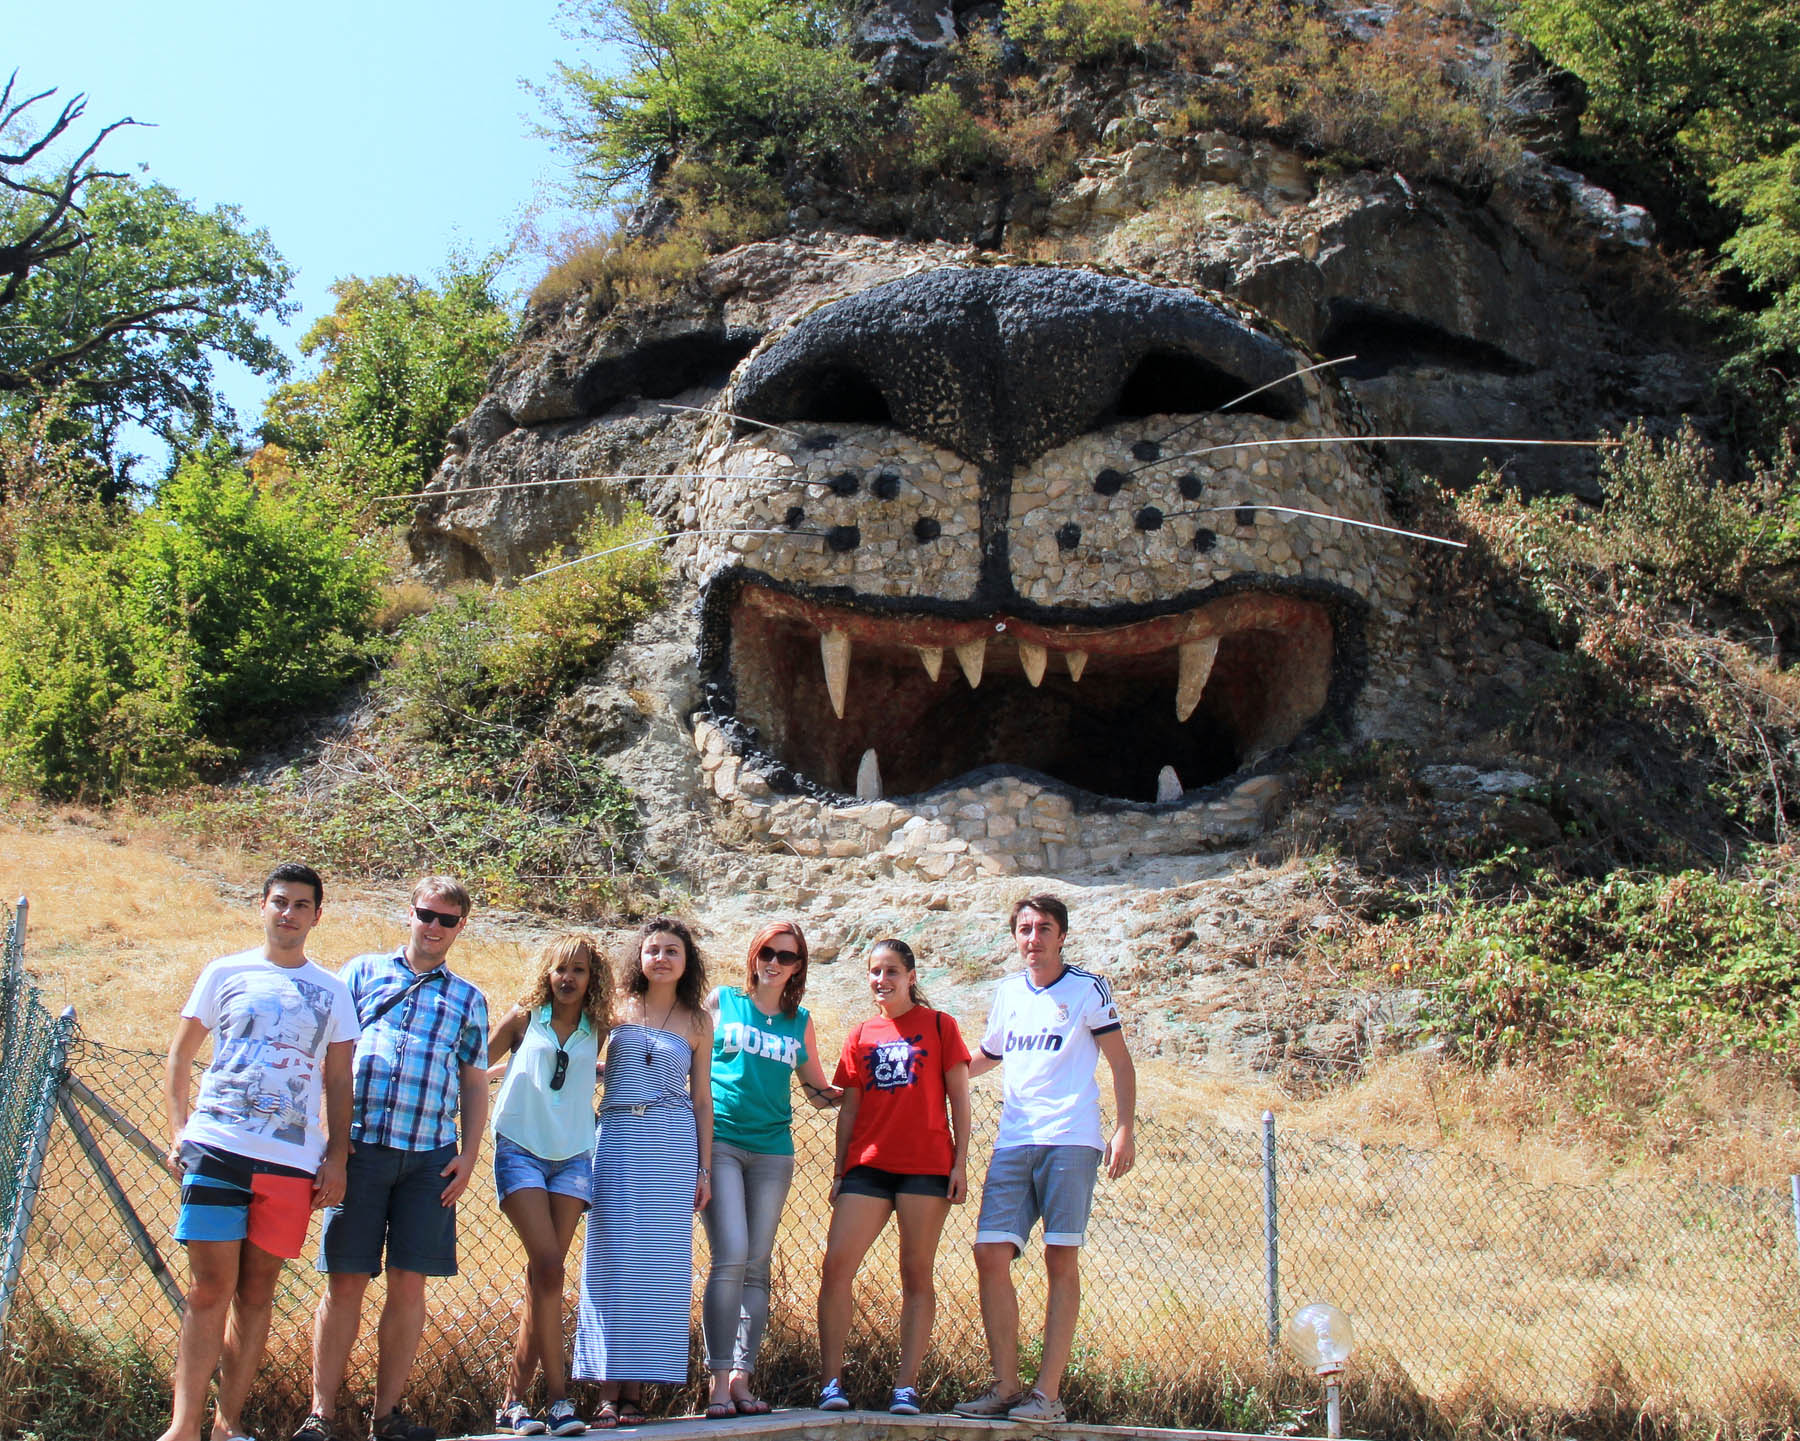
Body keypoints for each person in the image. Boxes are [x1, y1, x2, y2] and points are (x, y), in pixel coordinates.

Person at [156, 862, 361, 1441]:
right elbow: (179, 1056)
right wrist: (180, 1129)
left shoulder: (333, 991)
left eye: (301, 904)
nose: (288, 913)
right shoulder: (225, 972)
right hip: (218, 1146)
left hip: (292, 1161)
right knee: (208, 1290)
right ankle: (183, 1426)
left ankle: (228, 1425)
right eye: (279, 901)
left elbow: (339, 1080)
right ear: (262, 906)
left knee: (255, 1295)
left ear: (317, 916)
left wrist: (338, 1156)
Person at [296, 877, 490, 1441]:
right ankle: (321, 1415)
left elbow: (474, 1081)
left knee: (410, 1286)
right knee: (344, 1282)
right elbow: (329, 1058)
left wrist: (470, 1154)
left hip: (429, 1157)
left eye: (446, 920)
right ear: (409, 914)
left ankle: (388, 1417)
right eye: (426, 914)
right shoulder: (361, 973)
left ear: (460, 928)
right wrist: (331, 1143)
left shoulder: (468, 998)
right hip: (360, 1149)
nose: (434, 927)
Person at [954, 894, 1136, 1424]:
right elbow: (988, 1055)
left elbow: (1121, 1064)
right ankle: (1006, 1387)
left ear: (1061, 936)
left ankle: (1046, 1396)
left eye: (1044, 929)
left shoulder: (1087, 988)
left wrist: (1123, 1130)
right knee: (989, 1253)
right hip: (1015, 1140)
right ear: (1015, 936)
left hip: (1071, 1139)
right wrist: (933, 1075)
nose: (1033, 939)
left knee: (1061, 1260)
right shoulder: (1008, 991)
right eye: (1025, 929)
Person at [816, 939, 971, 1416]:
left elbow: (959, 1100)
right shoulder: (861, 1033)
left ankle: (906, 1387)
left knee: (915, 1272)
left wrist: (960, 1163)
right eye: (874, 972)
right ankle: (830, 1383)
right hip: (869, 1165)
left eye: (890, 972)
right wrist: (840, 1169)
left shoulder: (941, 1027)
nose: (881, 980)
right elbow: (851, 1107)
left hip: (926, 1167)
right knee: (836, 1266)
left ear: (910, 976)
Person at [573, 918, 713, 1425]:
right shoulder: (615, 1007)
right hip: (618, 1140)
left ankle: (635, 1393)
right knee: (610, 1264)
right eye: (652, 949)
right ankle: (605, 1391)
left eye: (671, 950)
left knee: (657, 1271)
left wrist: (705, 1168)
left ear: (686, 960)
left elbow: (702, 1099)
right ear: (640, 957)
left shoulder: (697, 1021)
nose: (660, 958)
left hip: (673, 1147)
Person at [700, 923, 841, 1420]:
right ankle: (717, 1380)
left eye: (786, 955)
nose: (774, 962)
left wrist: (866, 1091)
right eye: (767, 952)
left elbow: (817, 1090)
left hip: (773, 1152)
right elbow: (687, 1057)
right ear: (754, 955)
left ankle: (742, 1380)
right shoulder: (722, 1002)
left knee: (756, 1266)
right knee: (731, 1255)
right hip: (720, 1143)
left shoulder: (799, 1021)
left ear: (798, 965)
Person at [486, 935, 614, 1436]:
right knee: (548, 1265)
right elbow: (472, 1063)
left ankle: (512, 1404)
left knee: (546, 1278)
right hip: (520, 1148)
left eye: (578, 970)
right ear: (548, 972)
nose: (568, 978)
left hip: (574, 1157)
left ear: (591, 978)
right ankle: (560, 1401)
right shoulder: (524, 1017)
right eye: (561, 969)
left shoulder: (598, 1027)